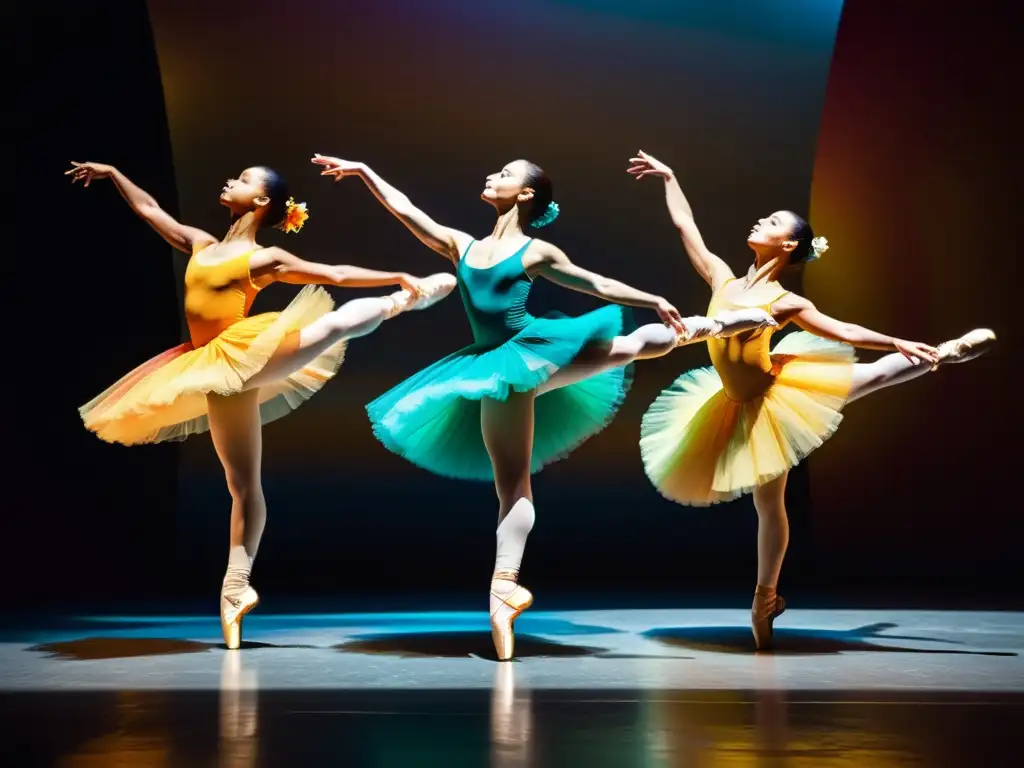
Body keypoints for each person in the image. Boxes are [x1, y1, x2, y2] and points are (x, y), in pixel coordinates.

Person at [312, 154, 775, 659]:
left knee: (643, 342)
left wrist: (651, 298)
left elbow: (593, 283)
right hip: (491, 367)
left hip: (536, 351)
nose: (492, 176)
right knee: (511, 484)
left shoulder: (537, 252)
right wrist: (364, 171)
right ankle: (504, 591)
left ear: (527, 195)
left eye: (505, 173)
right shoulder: (461, 245)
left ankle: (728, 323)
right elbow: (405, 210)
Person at [68, 161, 456, 648]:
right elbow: (150, 209)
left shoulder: (263, 258)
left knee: (332, 326)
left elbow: (332, 273)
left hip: (249, 351)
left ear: (259, 203)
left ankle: (402, 302)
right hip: (215, 369)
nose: (230, 179)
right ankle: (236, 588)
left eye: (244, 179)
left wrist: (396, 276)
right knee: (242, 486)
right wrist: (114, 173)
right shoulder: (202, 244)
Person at [629, 150, 996, 649]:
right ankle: (767, 599)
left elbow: (841, 329)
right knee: (768, 505)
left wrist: (895, 339)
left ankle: (939, 353)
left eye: (773, 220)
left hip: (781, 395)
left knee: (875, 376)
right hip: (736, 404)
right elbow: (685, 227)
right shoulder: (722, 278)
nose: (761, 220)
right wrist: (670, 177)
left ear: (788, 244)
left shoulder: (786, 301)